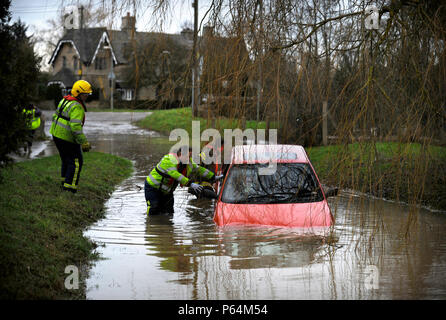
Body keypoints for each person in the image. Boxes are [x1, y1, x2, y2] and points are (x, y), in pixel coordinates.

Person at [145, 146, 224, 215]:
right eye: (188, 156)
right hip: (153, 188)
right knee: (154, 208)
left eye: (190, 156)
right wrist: (190, 184)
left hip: (167, 191)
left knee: (169, 212)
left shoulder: (188, 162)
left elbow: (199, 169)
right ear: (180, 154)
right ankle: (151, 226)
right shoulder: (169, 160)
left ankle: (167, 228)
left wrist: (213, 177)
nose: (189, 158)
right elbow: (175, 174)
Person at [49, 80, 92, 193]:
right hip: (67, 138)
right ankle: (70, 189)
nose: (87, 96)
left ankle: (64, 183)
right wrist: (83, 142)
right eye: (85, 94)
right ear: (78, 93)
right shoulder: (77, 106)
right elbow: (76, 127)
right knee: (76, 162)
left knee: (66, 160)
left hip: (56, 135)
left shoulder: (65, 100)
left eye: (88, 94)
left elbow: (54, 117)